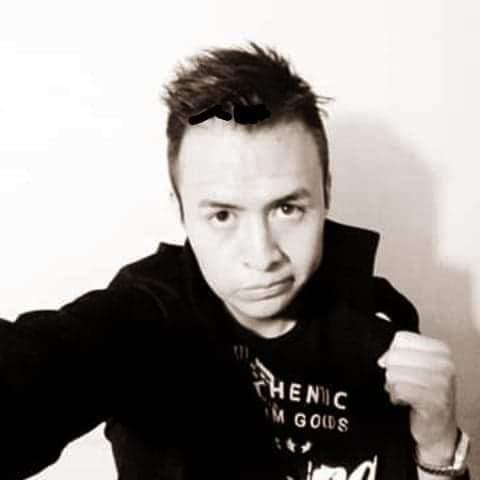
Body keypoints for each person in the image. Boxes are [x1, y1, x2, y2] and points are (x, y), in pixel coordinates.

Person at [0, 42, 470, 480]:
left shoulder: (380, 317)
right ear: (181, 209)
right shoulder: (145, 315)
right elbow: (38, 369)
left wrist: (437, 447)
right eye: (223, 215)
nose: (262, 256)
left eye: (287, 209)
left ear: (326, 191)